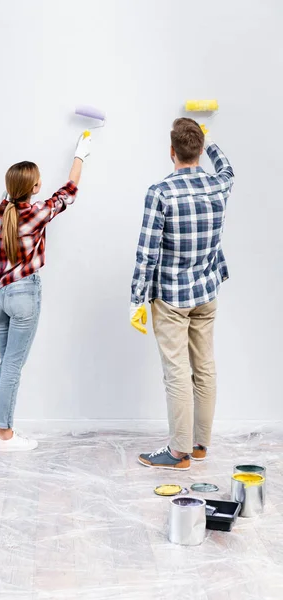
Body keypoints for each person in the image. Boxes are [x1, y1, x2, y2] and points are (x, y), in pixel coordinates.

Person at [0, 133, 91, 452]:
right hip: (24, 296)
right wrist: (80, 155)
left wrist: (4, 205)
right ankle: (6, 436)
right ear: (35, 187)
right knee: (11, 366)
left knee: (5, 364)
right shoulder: (38, 212)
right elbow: (69, 192)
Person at [130, 118, 234, 470]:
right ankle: (200, 445)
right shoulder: (220, 186)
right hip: (206, 291)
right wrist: (212, 141)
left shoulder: (160, 192)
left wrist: (136, 299)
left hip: (172, 297)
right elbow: (227, 169)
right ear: (200, 150)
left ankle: (178, 453)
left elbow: (147, 252)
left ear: (171, 151)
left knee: (177, 373)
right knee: (204, 368)